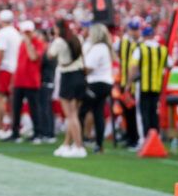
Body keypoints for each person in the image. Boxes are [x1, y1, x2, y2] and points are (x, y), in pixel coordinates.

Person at [47, 19, 87, 158]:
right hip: (80, 75)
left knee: (70, 115)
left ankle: (78, 146)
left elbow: (50, 55)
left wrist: (53, 39)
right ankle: (67, 144)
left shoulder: (59, 41)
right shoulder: (77, 38)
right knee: (74, 113)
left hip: (68, 76)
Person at [129, 25, 169, 140]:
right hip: (157, 85)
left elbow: (133, 67)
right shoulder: (162, 49)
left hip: (143, 85)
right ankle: (155, 138)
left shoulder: (140, 49)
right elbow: (169, 65)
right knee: (154, 113)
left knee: (143, 113)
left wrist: (129, 83)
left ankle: (145, 139)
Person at [8, 20, 46, 143]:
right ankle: (15, 132)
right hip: (20, 80)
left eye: (28, 32)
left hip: (32, 81)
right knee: (16, 108)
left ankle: (38, 133)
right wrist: (13, 81)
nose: (26, 34)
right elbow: (18, 63)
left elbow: (33, 57)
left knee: (34, 108)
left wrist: (29, 42)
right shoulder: (21, 44)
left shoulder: (38, 43)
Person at [81, 23, 114, 153]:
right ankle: (99, 145)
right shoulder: (105, 47)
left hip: (96, 83)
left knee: (80, 112)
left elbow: (88, 68)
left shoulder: (98, 48)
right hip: (105, 83)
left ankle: (79, 142)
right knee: (98, 113)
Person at [0, 9, 22, 139]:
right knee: (12, 101)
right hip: (15, 69)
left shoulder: (2, 33)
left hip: (5, 68)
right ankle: (11, 127)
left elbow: (0, 53)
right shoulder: (16, 33)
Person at [114, 17, 141, 148]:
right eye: (133, 29)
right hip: (125, 81)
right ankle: (130, 136)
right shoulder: (122, 43)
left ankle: (135, 138)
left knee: (135, 112)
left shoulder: (141, 44)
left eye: (136, 30)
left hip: (138, 83)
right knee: (127, 111)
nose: (134, 32)